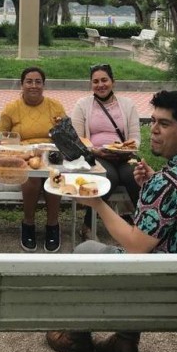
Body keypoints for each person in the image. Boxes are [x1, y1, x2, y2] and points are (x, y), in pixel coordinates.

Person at [46, 90, 177, 352]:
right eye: (153, 121)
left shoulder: (168, 184)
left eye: (164, 124)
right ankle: (123, 343)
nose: (153, 130)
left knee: (85, 250)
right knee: (137, 253)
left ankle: (78, 340)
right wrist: (152, 183)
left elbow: (136, 246)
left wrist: (97, 203)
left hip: (162, 294)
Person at [0, 67, 67, 253]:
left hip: (51, 155)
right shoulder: (12, 108)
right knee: (32, 177)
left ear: (43, 85)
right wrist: (14, 143)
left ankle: (53, 225)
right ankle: (28, 223)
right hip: (23, 156)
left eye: (38, 82)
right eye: (29, 81)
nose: (33, 85)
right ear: (22, 84)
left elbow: (67, 134)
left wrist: (60, 135)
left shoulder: (55, 106)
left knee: (54, 174)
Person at [71, 63, 141, 240]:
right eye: (95, 81)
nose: (100, 85)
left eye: (104, 80)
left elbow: (135, 137)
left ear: (113, 82)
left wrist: (126, 149)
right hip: (96, 155)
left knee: (136, 175)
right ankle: (88, 225)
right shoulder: (82, 105)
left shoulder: (127, 105)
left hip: (124, 155)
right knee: (108, 177)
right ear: (91, 84)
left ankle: (144, 224)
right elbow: (77, 139)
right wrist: (96, 151)